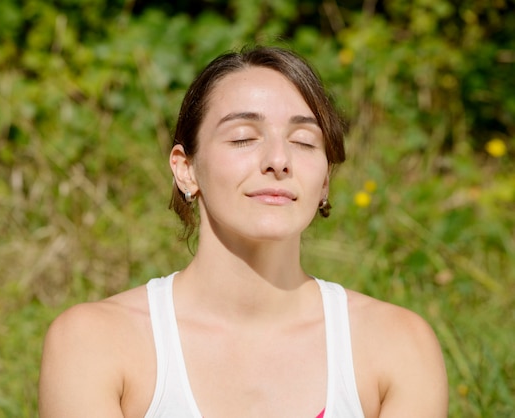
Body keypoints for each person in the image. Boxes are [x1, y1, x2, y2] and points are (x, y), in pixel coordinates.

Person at [38, 45, 448, 417]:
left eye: (304, 141)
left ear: (324, 180)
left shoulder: (398, 346)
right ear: (185, 168)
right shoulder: (95, 342)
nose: (278, 159)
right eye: (243, 138)